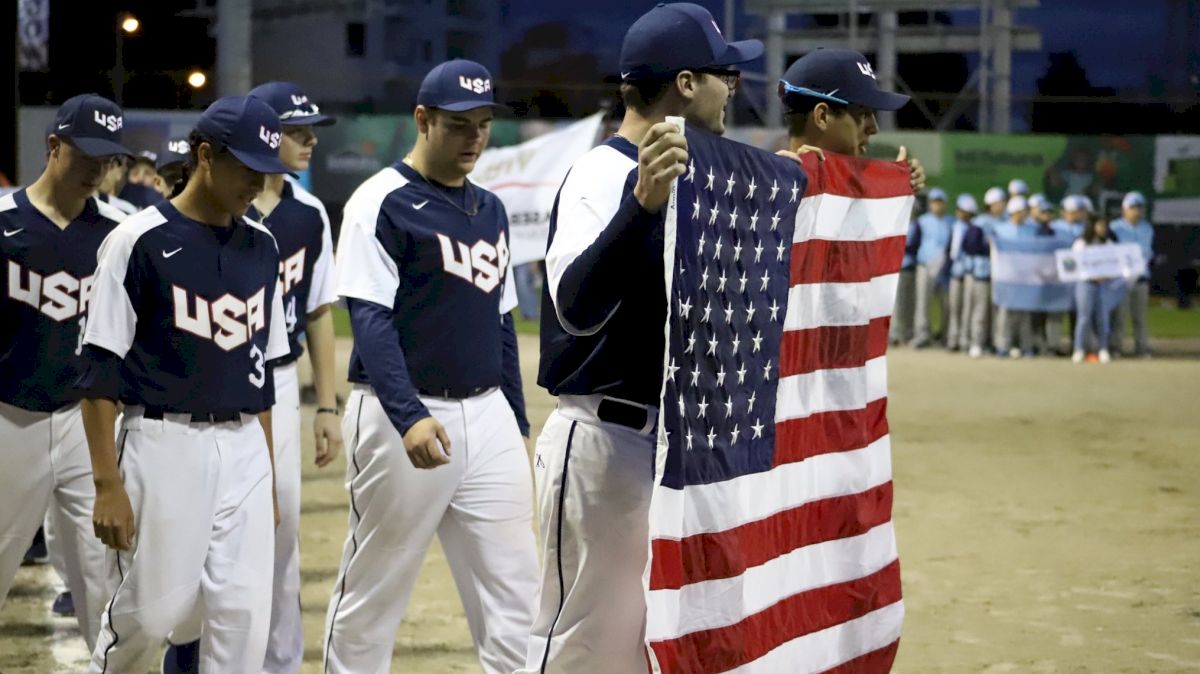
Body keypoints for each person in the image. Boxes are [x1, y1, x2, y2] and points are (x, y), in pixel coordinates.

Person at [524, 4, 755, 671]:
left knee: (662, 645)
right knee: (586, 648)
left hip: (676, 450)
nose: (732, 86)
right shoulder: (604, 172)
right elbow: (574, 307)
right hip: (607, 444)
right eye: (723, 73)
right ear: (685, 83)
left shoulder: (699, 174)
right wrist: (640, 206)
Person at [325, 59, 537, 674]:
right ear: (422, 120)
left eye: (484, 124)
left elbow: (502, 322)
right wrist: (409, 415)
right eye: (458, 125)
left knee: (516, 588)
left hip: (487, 413)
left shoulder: (491, 208)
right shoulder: (380, 200)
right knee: (375, 588)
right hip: (402, 415)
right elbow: (370, 320)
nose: (474, 137)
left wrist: (516, 423)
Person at [76, 94, 292, 673]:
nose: (258, 182)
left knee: (243, 625)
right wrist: (106, 484)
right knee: (146, 622)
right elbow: (99, 372)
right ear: (204, 156)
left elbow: (260, 371)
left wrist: (266, 477)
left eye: (265, 171)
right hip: (161, 442)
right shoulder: (137, 240)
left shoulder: (263, 244)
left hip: (245, 446)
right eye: (246, 167)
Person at [159, 81, 345, 674]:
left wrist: (327, 405)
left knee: (276, 531)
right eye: (296, 130)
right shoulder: (199, 209)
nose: (308, 140)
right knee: (185, 539)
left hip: (277, 381)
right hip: (195, 386)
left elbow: (318, 310)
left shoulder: (308, 214)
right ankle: (185, 649)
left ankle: (277, 663)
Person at [0, 93, 130, 654]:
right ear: (53, 147)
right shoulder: (4, 222)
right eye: (87, 156)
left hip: (85, 426)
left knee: (105, 584)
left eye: (107, 159)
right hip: (8, 420)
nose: (98, 170)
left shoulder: (120, 231)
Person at [777, 47, 925, 191]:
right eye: (863, 114)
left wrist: (897, 191)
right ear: (822, 117)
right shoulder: (767, 192)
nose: (874, 128)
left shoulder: (861, 193)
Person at [1071, 215, 1121, 363]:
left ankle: (1103, 349)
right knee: (1084, 317)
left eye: (1105, 226)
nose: (1103, 229)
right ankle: (1079, 349)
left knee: (1102, 318)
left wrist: (1105, 276)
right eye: (1100, 225)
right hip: (1085, 284)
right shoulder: (1081, 243)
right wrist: (1092, 276)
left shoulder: (1109, 244)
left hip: (1103, 285)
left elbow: (1114, 264)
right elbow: (1075, 264)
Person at [1109, 191, 1153, 357]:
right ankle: (1116, 347)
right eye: (1132, 207)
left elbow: (1146, 252)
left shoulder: (1147, 228)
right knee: (1119, 316)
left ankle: (1141, 349)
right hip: (1121, 279)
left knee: (1139, 318)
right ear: (1124, 209)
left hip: (1141, 278)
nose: (1136, 211)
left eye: (1139, 207)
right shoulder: (1115, 227)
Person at [993, 195, 1036, 358]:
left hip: (1025, 279)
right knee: (1005, 313)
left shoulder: (1031, 230)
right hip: (1005, 278)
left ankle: (1026, 346)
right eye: (1021, 211)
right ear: (1013, 212)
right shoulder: (1000, 229)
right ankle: (1002, 345)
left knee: (1024, 314)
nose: (1024, 214)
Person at [909, 188, 953, 348]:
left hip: (945, 268)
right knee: (922, 302)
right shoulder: (922, 222)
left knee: (947, 303)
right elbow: (913, 244)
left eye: (940, 202)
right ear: (930, 204)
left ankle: (945, 335)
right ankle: (922, 335)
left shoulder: (951, 222)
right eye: (935, 202)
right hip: (925, 265)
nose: (937, 205)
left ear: (945, 204)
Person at [962, 196, 994, 359]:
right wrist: (987, 247)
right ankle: (974, 342)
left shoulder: (1003, 221)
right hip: (980, 273)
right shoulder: (979, 223)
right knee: (978, 311)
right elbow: (970, 246)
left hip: (996, 274)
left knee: (989, 312)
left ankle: (985, 342)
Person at [947, 193, 977, 352]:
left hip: (968, 272)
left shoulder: (974, 228)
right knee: (954, 308)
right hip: (954, 272)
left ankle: (964, 339)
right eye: (959, 209)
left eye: (963, 210)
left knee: (967, 308)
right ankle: (953, 339)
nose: (959, 212)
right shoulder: (954, 226)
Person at [890, 208, 920, 346]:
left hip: (911, 267)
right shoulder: (896, 224)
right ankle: (895, 333)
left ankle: (907, 332)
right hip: (897, 267)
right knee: (897, 303)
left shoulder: (916, 225)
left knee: (909, 302)